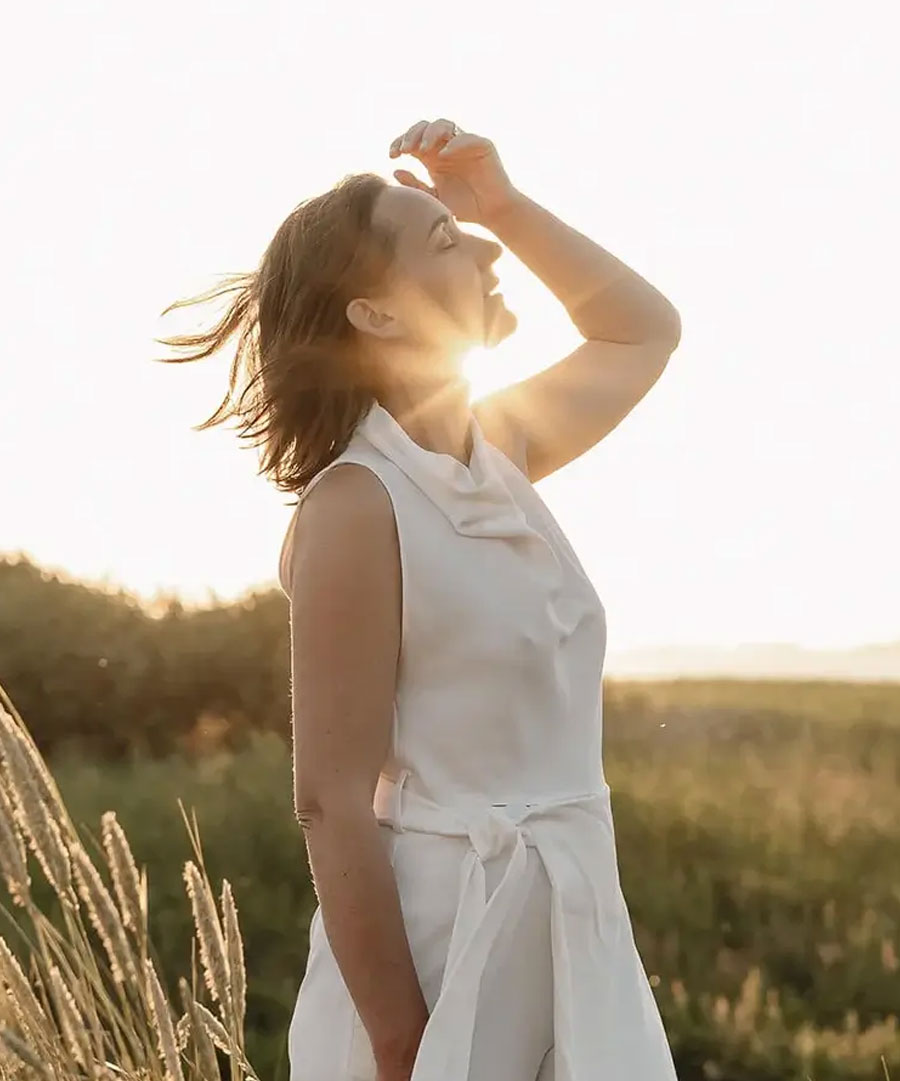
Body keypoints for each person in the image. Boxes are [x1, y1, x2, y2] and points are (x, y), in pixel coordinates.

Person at [156, 117, 682, 1081]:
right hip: (450, 942)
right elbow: (331, 800)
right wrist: (404, 1041)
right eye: (444, 239)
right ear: (377, 316)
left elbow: (644, 330)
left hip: (576, 920)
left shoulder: (501, 450)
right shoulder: (358, 503)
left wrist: (506, 206)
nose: (479, 246)